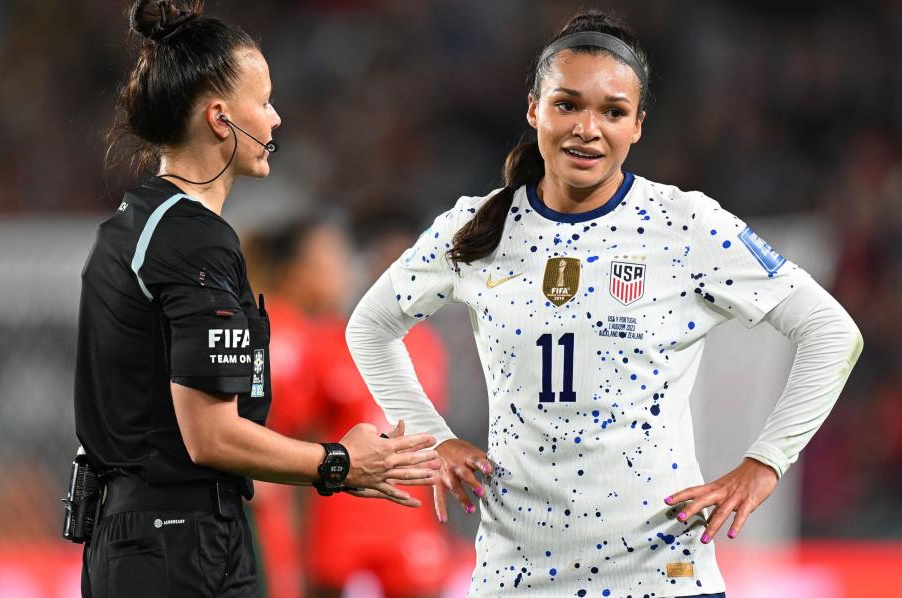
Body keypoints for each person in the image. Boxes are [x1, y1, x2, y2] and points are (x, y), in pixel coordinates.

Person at [345, 9, 863, 598]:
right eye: (567, 104)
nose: (587, 128)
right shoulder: (475, 226)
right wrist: (435, 439)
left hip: (661, 575)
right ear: (533, 109)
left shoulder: (684, 224)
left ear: (637, 125)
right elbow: (370, 327)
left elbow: (831, 332)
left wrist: (764, 463)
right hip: (516, 575)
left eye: (612, 112)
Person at [73, 2, 440, 597]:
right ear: (221, 117)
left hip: (136, 539)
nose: (275, 119)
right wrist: (340, 464)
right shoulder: (195, 240)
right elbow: (210, 437)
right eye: (264, 101)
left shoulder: (132, 222)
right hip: (180, 546)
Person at [248, 215, 456, 598]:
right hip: (320, 535)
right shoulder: (289, 338)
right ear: (298, 269)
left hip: (404, 531)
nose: (343, 269)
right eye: (333, 257)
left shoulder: (418, 345)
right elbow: (280, 440)